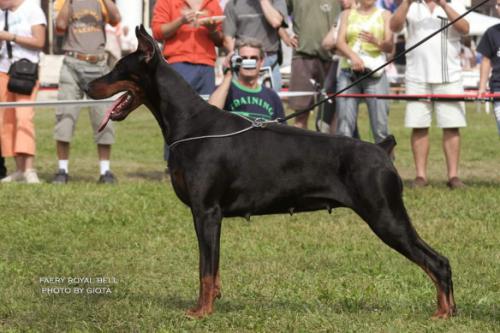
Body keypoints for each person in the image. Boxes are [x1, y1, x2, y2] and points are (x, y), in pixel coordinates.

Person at [390, 0, 469, 189]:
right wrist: (406, 3)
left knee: (452, 126)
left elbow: (465, 28)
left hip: (449, 75)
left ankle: (453, 176)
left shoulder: (455, 2)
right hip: (417, 76)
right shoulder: (410, 5)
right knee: (419, 126)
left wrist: (443, 4)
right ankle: (420, 176)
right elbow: (394, 26)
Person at [52, 0, 121, 184]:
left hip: (98, 65)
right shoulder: (63, 2)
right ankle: (62, 170)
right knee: (65, 115)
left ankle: (105, 172)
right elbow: (59, 27)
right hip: (72, 64)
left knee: (103, 117)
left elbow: (116, 19)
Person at [0, 0, 46, 184]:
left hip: (24, 72)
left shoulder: (32, 10)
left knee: (24, 117)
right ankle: (18, 169)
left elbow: (40, 41)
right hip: (3, 71)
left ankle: (29, 169)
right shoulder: (2, 14)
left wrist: (10, 37)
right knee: (7, 121)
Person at [335, 0, 393, 143]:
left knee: (380, 127)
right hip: (349, 73)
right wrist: (353, 57)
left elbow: (390, 46)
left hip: (375, 74)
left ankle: (386, 163)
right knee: (344, 127)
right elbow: (340, 42)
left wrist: (375, 41)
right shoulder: (346, 14)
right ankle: (344, 164)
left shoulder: (385, 15)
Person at [284, 0, 342, 129]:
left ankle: (330, 149)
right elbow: (280, 13)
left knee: (330, 116)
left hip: (332, 58)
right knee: (301, 114)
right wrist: (286, 36)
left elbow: (352, 9)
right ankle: (300, 149)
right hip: (303, 55)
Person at [152, 0, 224, 96]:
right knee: (180, 106)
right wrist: (181, 21)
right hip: (178, 63)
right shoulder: (166, 1)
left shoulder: (213, 3)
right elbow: (158, 32)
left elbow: (220, 41)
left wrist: (212, 30)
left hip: (207, 65)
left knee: (206, 108)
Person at [208, 39, 285, 122]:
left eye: (253, 58)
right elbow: (210, 114)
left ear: (261, 62)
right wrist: (229, 73)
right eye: (243, 59)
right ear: (236, 61)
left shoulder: (272, 96)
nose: (248, 62)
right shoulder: (225, 90)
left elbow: (282, 130)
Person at [223, 0, 288, 91]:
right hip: (243, 61)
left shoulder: (277, 1)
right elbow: (227, 39)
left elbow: (276, 21)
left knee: (270, 102)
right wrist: (238, 61)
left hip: (269, 61)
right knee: (242, 102)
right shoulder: (233, 4)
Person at [477, 1, 500, 136]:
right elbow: (485, 60)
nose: (498, 8)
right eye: (497, 5)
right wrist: (482, 87)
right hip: (498, 89)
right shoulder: (491, 33)